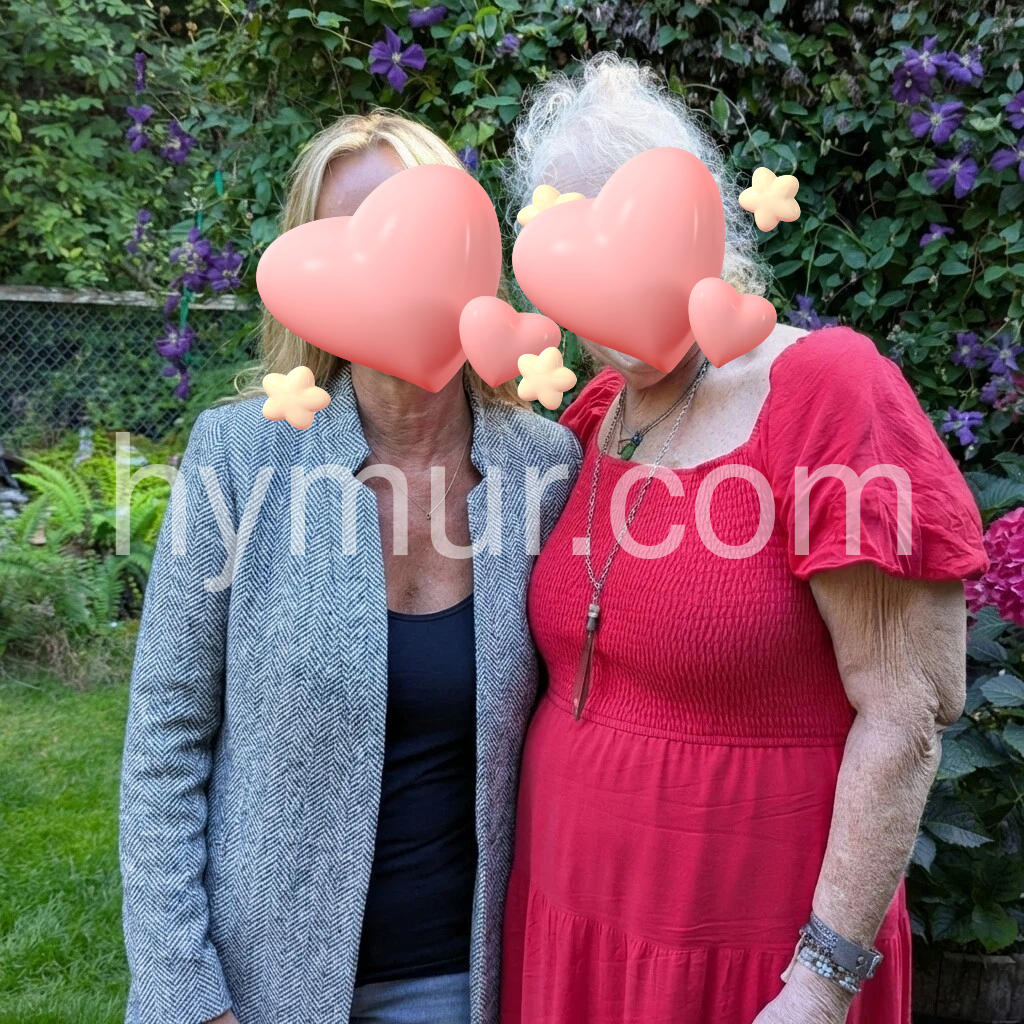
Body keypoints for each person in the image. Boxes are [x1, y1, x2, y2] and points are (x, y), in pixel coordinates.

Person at [500, 54, 988, 1024]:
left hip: (754, 962)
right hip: (568, 929)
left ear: (702, 224)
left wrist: (819, 985)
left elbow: (907, 710)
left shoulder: (824, 391)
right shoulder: (597, 418)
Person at [119, 110, 580, 1024]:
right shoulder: (240, 457)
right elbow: (164, 743)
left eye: (413, 232)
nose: (390, 266)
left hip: (461, 983)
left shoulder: (544, 470)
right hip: (254, 987)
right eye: (352, 238)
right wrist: (187, 995)